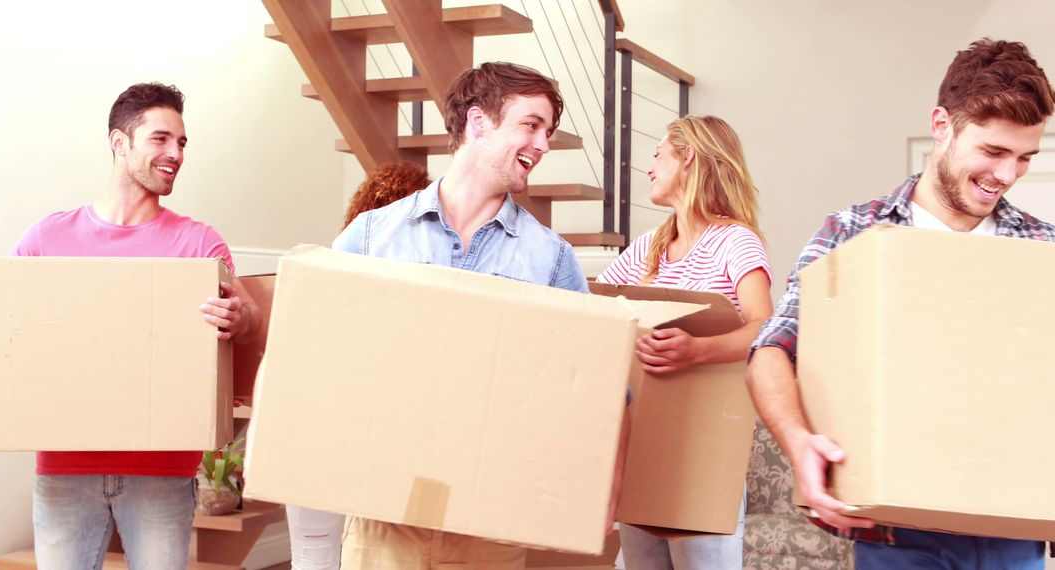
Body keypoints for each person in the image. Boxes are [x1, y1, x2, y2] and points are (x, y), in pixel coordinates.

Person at [746, 38, 1055, 569]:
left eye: (1025, 157)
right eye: (993, 151)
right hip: (893, 535)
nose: (1006, 175)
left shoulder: (1042, 250)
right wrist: (798, 444)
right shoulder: (856, 233)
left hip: (1015, 535)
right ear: (943, 125)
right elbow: (772, 348)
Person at [331, 61, 625, 570]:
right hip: (384, 514)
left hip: (491, 519)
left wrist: (606, 488)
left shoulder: (550, 258)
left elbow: (601, 384)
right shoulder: (373, 236)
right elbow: (317, 346)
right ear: (478, 122)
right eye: (530, 125)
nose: (543, 145)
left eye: (548, 132)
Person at [13, 82, 262, 570]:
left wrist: (241, 318)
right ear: (119, 142)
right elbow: (7, 337)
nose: (176, 154)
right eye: (161, 139)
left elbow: (250, 320)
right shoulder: (46, 239)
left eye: (182, 143)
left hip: (161, 471)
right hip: (66, 468)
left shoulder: (198, 244)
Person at [597, 115, 772, 569]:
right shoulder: (647, 248)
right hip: (643, 449)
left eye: (658, 155)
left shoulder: (735, 241)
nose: (649, 168)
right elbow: (596, 310)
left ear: (688, 155)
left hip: (704, 454)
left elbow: (764, 328)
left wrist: (697, 351)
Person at [286, 160, 431, 570]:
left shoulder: (329, 272)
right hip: (365, 447)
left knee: (313, 556)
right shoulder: (416, 295)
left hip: (309, 443)